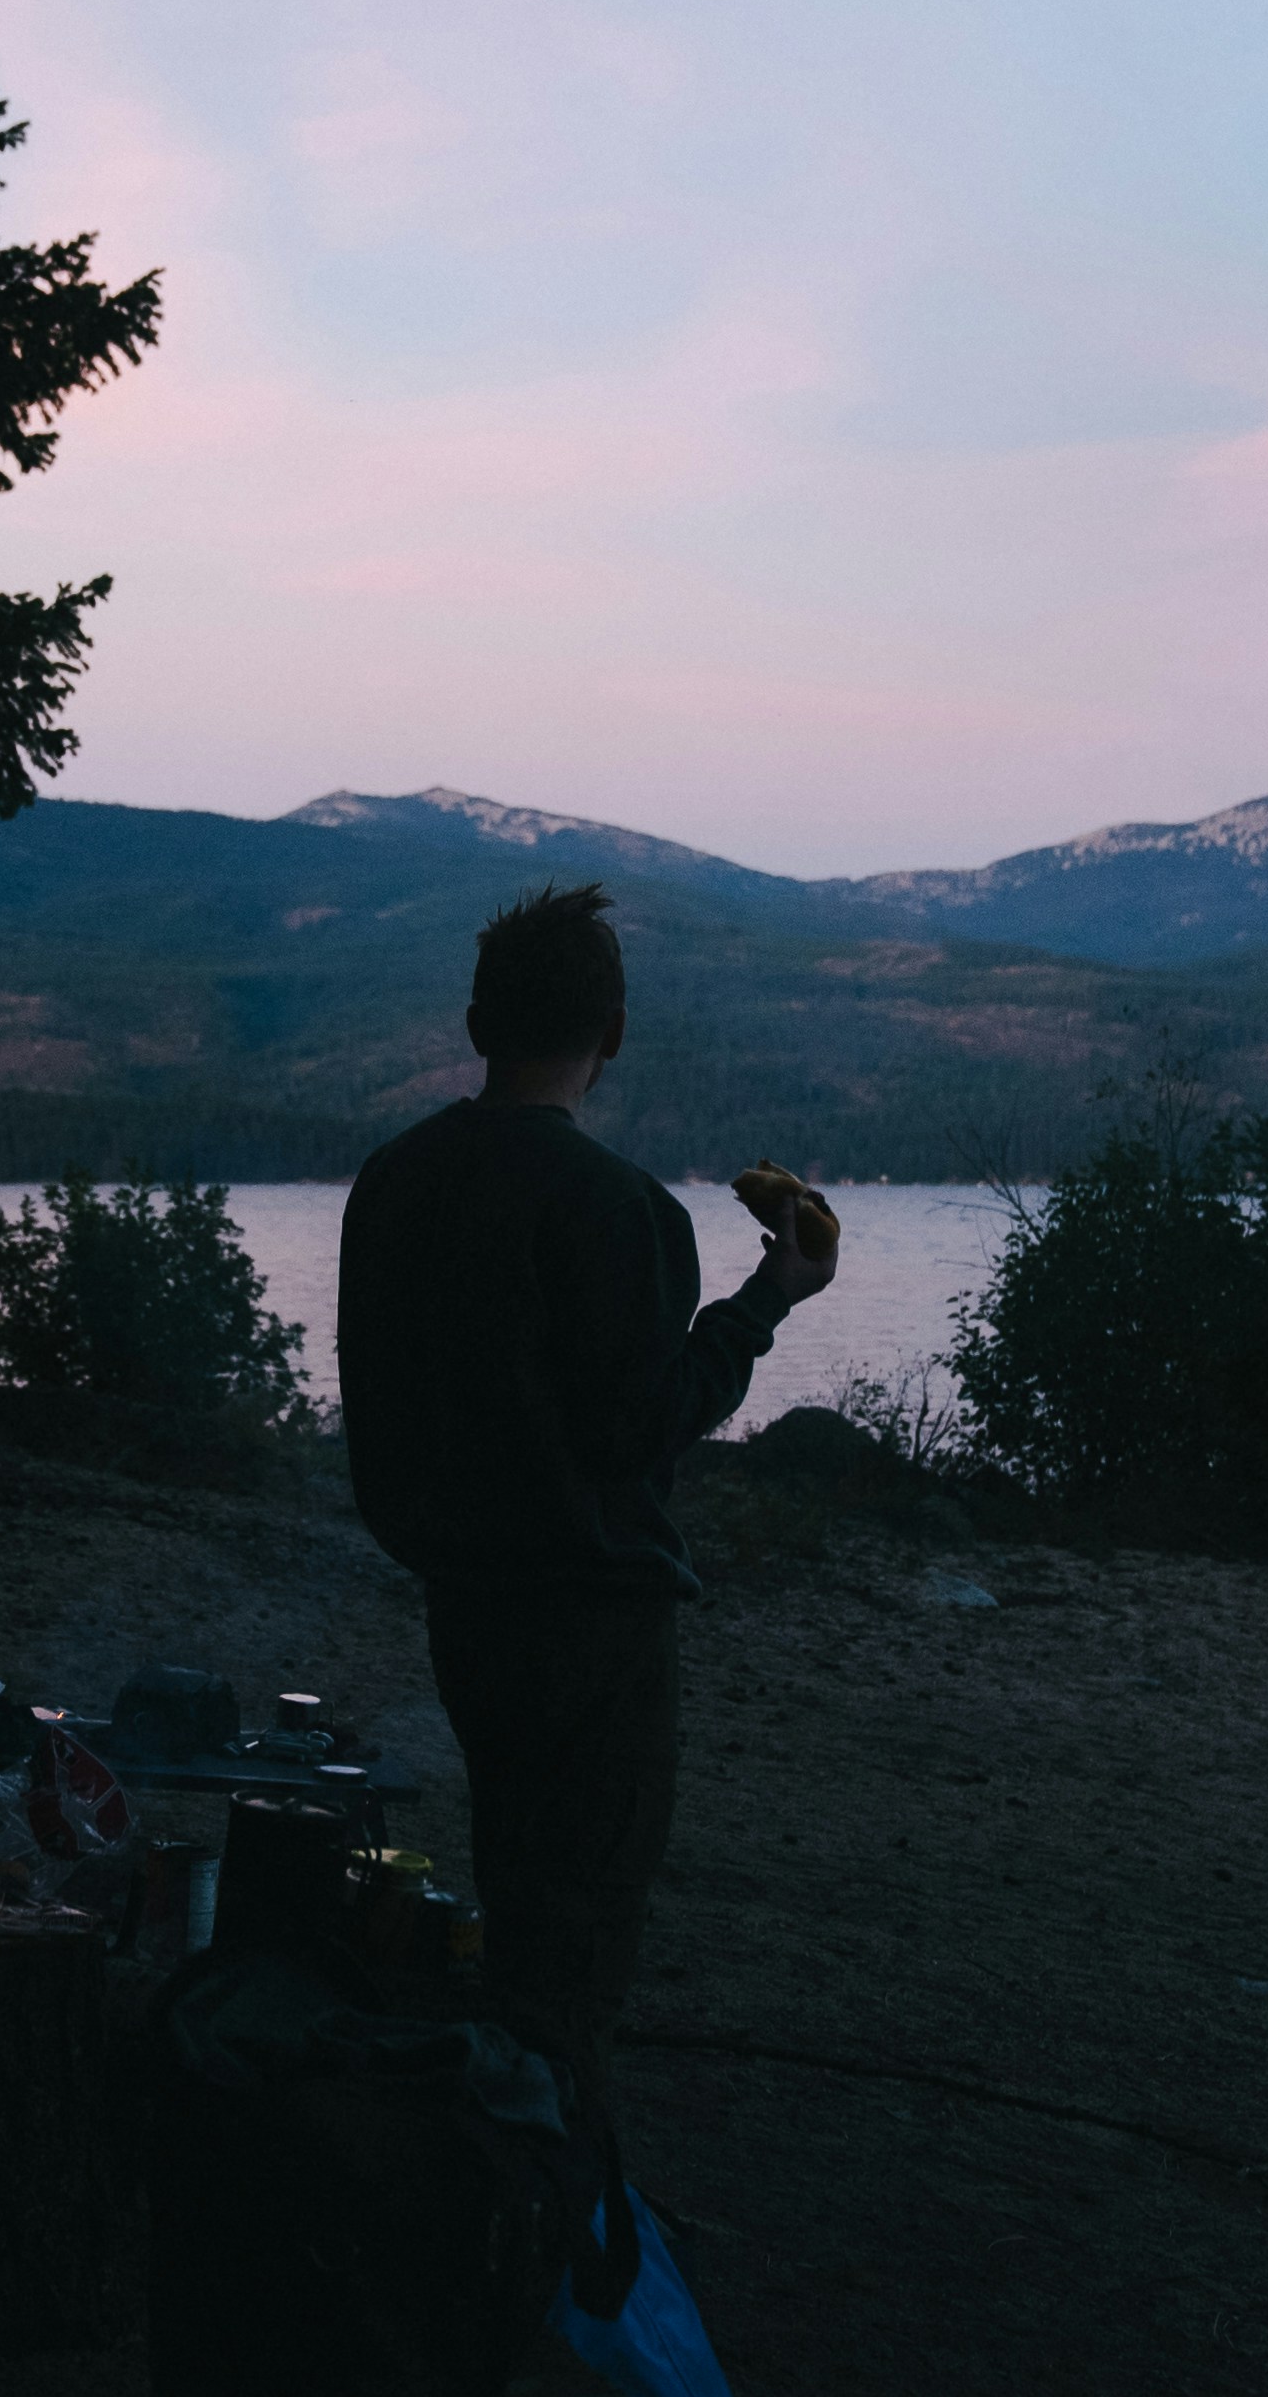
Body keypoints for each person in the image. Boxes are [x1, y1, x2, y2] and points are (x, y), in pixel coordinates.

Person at [336, 881, 837, 2124]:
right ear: (610, 1035)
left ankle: (492, 2167)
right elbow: (642, 1428)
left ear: (473, 1024)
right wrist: (767, 1301)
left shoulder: (392, 1183)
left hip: (463, 1608)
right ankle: (538, 2219)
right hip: (594, 1625)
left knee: (516, 1891)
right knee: (576, 1944)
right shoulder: (620, 1211)